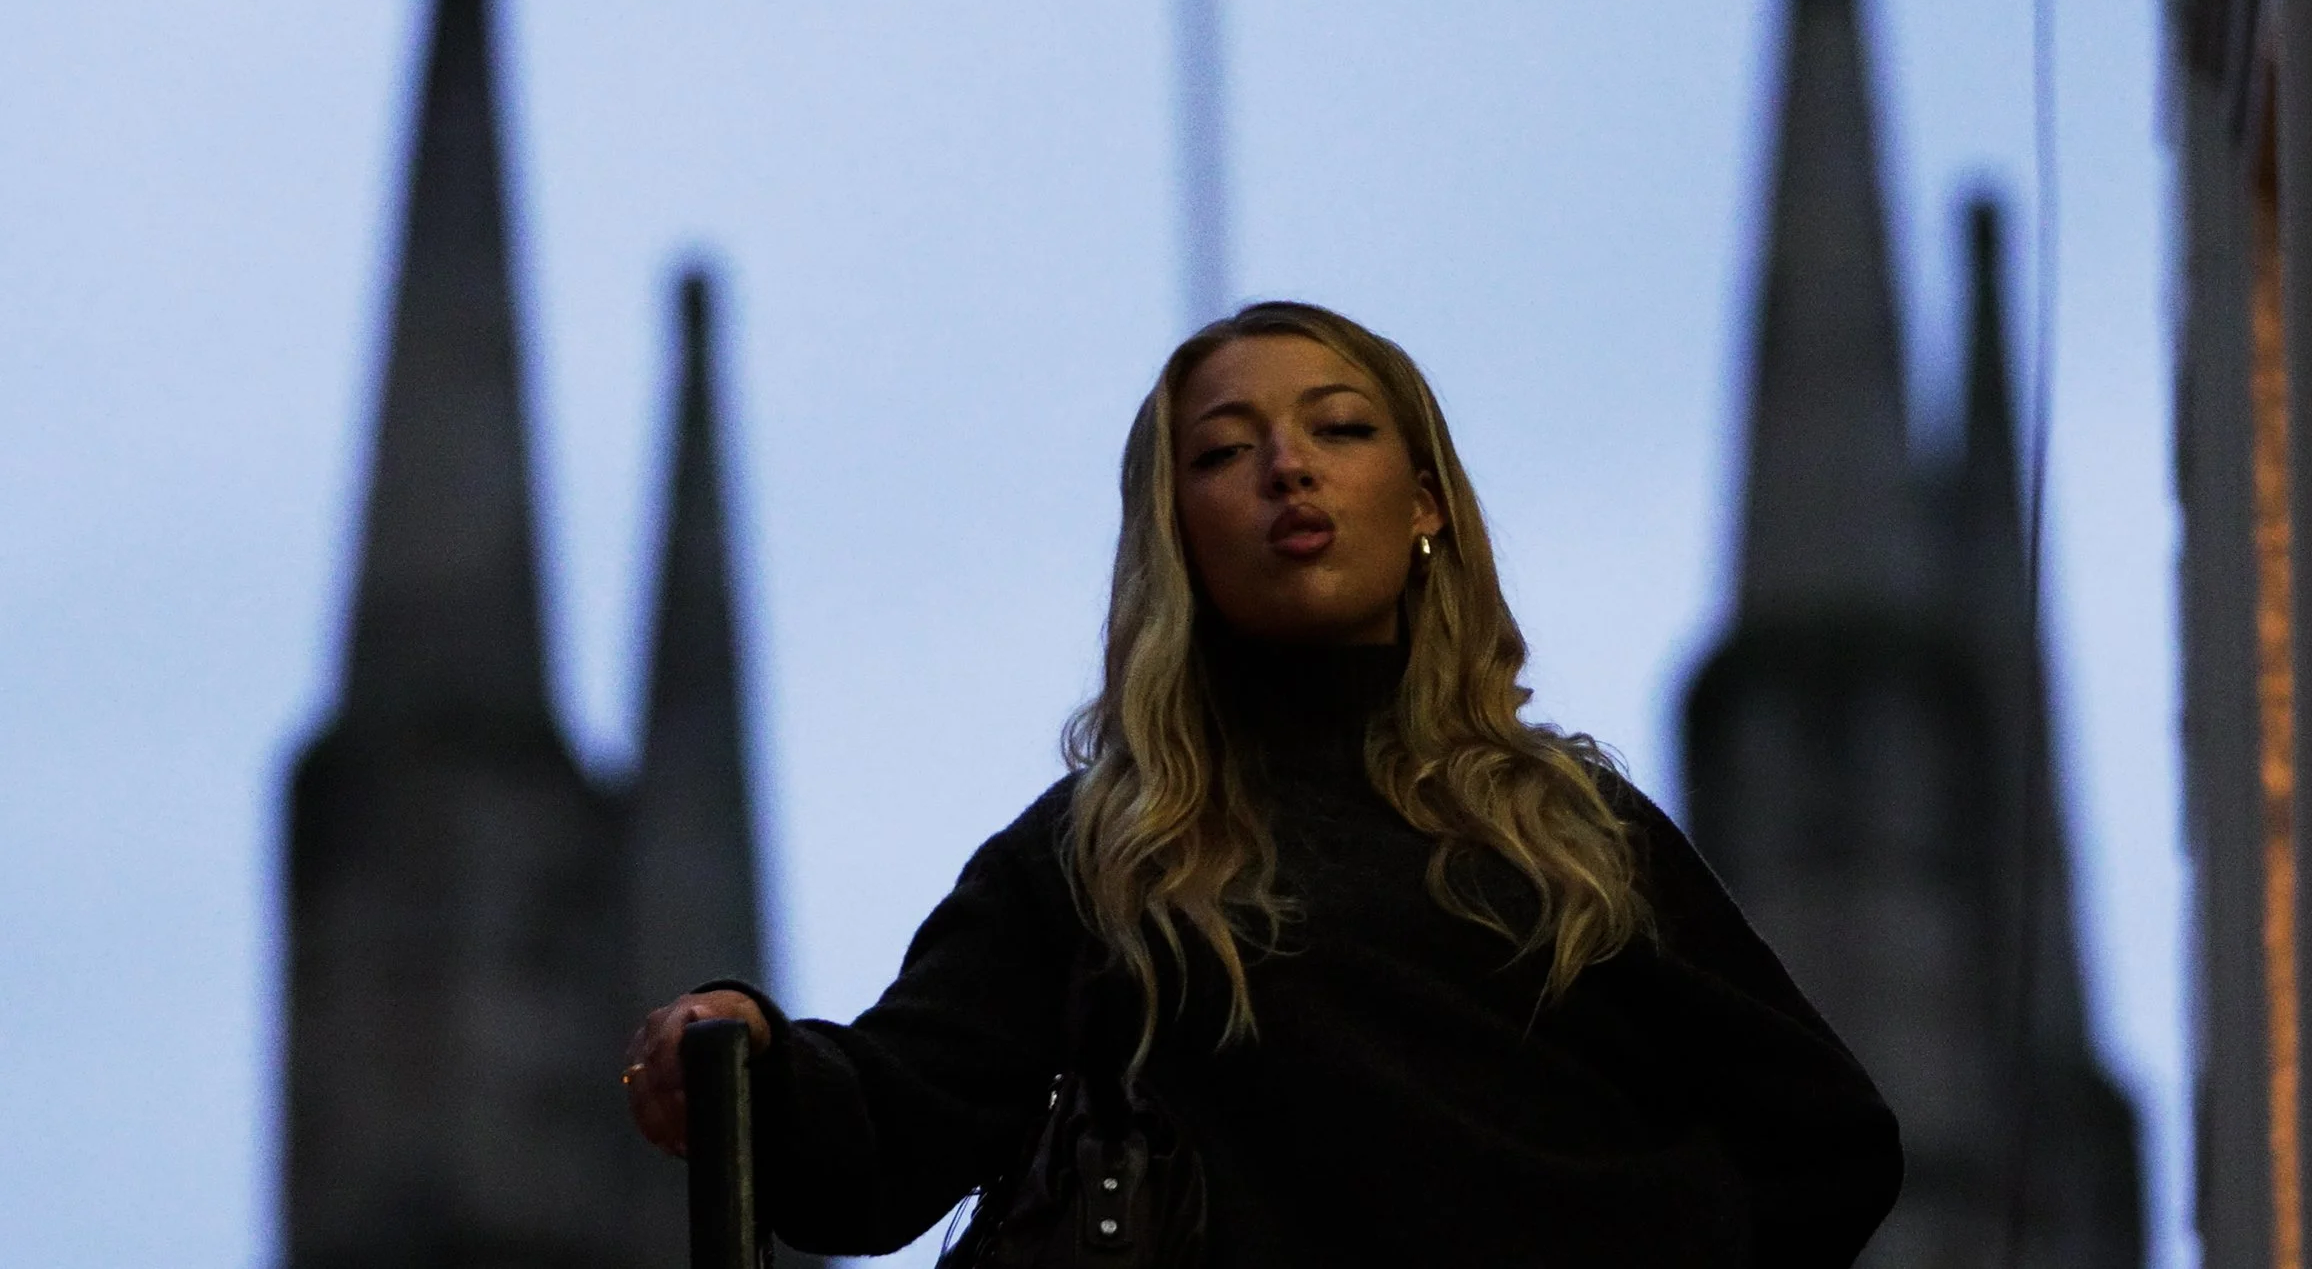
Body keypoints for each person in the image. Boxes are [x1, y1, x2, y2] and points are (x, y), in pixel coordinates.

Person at [623, 301, 1901, 1265]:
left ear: (1426, 504)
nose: (1288, 465)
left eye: (1340, 428)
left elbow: (1826, 1144)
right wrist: (757, 1055)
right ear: (1175, 534)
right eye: (1223, 451)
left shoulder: (1569, 828)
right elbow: (893, 1129)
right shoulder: (1101, 851)